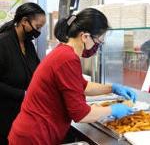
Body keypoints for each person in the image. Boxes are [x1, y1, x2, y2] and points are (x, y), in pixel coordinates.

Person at [8, 8, 136, 145]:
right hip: (35, 136)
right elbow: (81, 114)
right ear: (85, 36)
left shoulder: (63, 51)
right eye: (98, 42)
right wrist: (113, 110)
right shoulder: (67, 58)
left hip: (34, 132)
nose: (97, 46)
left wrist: (112, 88)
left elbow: (83, 86)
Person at [0, 2, 46, 145]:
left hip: (24, 113)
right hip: (4, 115)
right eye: (37, 27)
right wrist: (23, 94)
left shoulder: (28, 44)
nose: (38, 32)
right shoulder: (3, 43)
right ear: (24, 21)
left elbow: (39, 71)